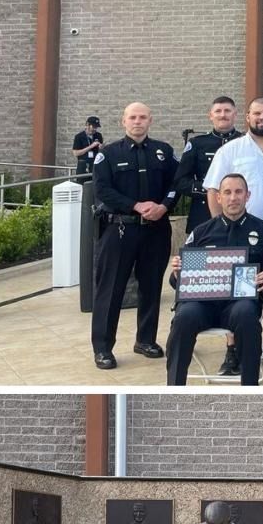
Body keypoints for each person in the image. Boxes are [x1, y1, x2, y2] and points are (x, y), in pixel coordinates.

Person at [164, 173, 263, 385]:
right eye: (227, 192)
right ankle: (174, 387)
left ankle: (249, 387)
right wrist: (177, 273)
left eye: (238, 192)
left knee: (247, 313)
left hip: (239, 306)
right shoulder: (201, 232)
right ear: (218, 197)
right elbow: (178, 283)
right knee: (184, 316)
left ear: (248, 196)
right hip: (202, 305)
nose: (233, 197)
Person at [204, 97, 263, 368]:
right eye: (257, 113)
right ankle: (233, 349)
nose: (262, 118)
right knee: (236, 292)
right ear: (247, 117)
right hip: (238, 232)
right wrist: (221, 228)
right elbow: (213, 190)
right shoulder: (231, 151)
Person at [90, 101, 178, 370]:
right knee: (111, 290)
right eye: (132, 117)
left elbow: (177, 183)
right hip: (120, 228)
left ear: (150, 120)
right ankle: (103, 348)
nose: (137, 121)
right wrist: (135, 206)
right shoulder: (108, 154)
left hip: (156, 230)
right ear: (123, 122)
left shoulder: (164, 151)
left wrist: (164, 206)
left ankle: (145, 340)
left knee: (151, 287)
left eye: (142, 117)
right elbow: (102, 189)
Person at [173, 96, 241, 234]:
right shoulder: (197, 144)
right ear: (210, 115)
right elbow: (181, 181)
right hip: (203, 214)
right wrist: (212, 191)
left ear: (235, 114)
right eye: (218, 111)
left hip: (240, 211)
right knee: (202, 255)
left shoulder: (245, 142)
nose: (223, 115)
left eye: (227, 111)